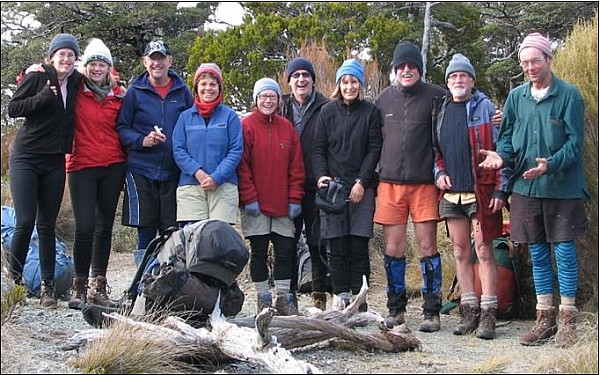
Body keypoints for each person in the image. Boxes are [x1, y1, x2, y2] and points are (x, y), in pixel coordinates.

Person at [479, 33, 588, 348]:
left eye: (535, 61)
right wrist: (501, 156)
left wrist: (550, 164)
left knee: (564, 253)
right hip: (526, 188)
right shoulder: (516, 97)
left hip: (562, 187)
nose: (530, 67)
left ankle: (568, 321)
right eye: (525, 63)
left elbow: (575, 143)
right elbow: (508, 137)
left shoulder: (569, 95)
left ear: (548, 60)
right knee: (538, 253)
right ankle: (544, 320)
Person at [373, 41, 447, 331]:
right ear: (394, 70)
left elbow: (465, 104)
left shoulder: (437, 96)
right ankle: (395, 308)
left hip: (425, 184)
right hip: (390, 184)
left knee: (427, 246)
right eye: (401, 66)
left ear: (420, 69)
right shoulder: (383, 100)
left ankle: (432, 310)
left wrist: (492, 114)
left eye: (412, 65)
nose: (406, 70)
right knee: (393, 248)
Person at [432, 53, 507, 339]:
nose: (458, 80)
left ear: (472, 81)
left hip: (482, 191)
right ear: (448, 82)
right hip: (451, 194)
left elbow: (503, 152)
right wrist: (439, 174)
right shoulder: (440, 110)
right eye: (453, 76)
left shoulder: (486, 109)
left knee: (485, 251)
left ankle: (489, 314)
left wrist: (501, 187)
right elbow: (435, 151)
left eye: (463, 76)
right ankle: (468, 310)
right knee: (461, 252)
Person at [7, 33, 82, 308]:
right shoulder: (38, 77)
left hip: (54, 161)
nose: (66, 59)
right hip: (26, 157)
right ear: (51, 57)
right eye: (61, 54)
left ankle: (47, 288)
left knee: (47, 225)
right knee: (25, 221)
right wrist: (41, 97)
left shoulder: (75, 80)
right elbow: (13, 108)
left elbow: (98, 80)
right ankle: (14, 282)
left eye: (71, 55)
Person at [313, 59, 382, 311]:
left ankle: (360, 300)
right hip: (333, 189)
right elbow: (318, 148)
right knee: (337, 245)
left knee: (358, 245)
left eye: (354, 81)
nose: (349, 86)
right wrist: (321, 176)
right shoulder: (327, 112)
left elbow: (374, 149)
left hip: (362, 188)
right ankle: (340, 296)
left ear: (360, 84)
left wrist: (361, 182)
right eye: (345, 81)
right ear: (338, 84)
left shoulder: (370, 112)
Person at [116, 39, 194, 254]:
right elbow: (122, 128)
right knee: (146, 233)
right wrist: (142, 140)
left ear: (170, 61)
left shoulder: (183, 92)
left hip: (174, 172)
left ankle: (169, 283)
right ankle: (143, 284)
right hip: (142, 170)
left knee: (171, 233)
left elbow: (194, 126)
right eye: (152, 59)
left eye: (161, 58)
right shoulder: (134, 92)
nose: (157, 63)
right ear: (144, 62)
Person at [66, 38, 127, 309]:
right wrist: (34, 69)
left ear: (109, 67)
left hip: (113, 165)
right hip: (81, 165)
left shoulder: (119, 96)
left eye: (102, 63)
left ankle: (99, 285)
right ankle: (78, 285)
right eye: (92, 63)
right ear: (85, 66)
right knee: (85, 226)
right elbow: (51, 74)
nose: (97, 68)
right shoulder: (75, 89)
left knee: (104, 227)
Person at [237, 78, 305, 316]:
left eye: (272, 96)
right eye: (263, 96)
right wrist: (249, 197)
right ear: (256, 100)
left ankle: (284, 298)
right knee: (259, 251)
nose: (268, 100)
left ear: (278, 100)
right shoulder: (246, 126)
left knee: (285, 250)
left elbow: (297, 167)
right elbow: (242, 166)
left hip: (283, 204)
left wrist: (295, 198)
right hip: (255, 204)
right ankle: (263, 297)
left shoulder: (287, 128)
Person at [281, 57, 331, 310]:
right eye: (296, 75)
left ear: (313, 79)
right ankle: (288, 297)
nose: (301, 80)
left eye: (306, 75)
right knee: (286, 240)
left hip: (315, 184)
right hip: (286, 185)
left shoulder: (326, 107)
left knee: (316, 240)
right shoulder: (280, 106)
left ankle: (319, 294)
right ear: (289, 80)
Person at [172, 63, 243, 229]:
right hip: (191, 185)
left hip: (223, 185)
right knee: (193, 239)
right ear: (196, 88)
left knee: (219, 240)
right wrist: (199, 173)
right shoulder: (185, 117)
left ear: (220, 87)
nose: (208, 88)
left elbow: (235, 150)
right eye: (203, 84)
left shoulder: (230, 116)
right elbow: (178, 150)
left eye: (213, 83)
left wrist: (216, 177)